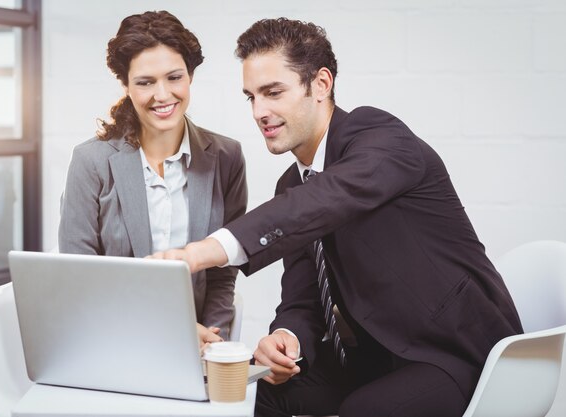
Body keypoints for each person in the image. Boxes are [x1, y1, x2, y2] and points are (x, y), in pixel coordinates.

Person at [151, 17, 523, 417]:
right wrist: (286, 336)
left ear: (321, 85)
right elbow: (304, 297)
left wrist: (204, 251)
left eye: (273, 92)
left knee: (364, 410)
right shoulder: (291, 184)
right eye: (251, 97)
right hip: (373, 357)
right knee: (252, 391)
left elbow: (326, 198)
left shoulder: (380, 137)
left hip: (457, 353)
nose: (260, 111)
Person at [58, 11, 247, 346]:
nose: (162, 95)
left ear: (190, 76)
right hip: (110, 338)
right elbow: (79, 281)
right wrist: (171, 334)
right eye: (145, 82)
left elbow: (222, 272)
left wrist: (216, 344)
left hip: (201, 343)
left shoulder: (227, 157)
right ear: (126, 86)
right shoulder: (91, 161)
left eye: (174, 77)